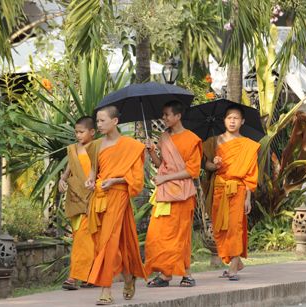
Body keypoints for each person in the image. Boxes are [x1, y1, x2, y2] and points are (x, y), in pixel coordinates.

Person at [84, 106, 147, 305]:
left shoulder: (131, 146)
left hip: (118, 196)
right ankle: (129, 276)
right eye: (97, 121)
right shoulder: (95, 145)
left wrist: (116, 181)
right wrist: (89, 180)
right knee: (122, 241)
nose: (99, 124)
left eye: (102, 121)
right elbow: (94, 170)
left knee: (108, 241)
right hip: (100, 198)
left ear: (115, 122)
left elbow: (137, 179)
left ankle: (106, 289)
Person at [144, 101, 202, 288]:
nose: (164, 118)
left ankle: (187, 274)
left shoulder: (192, 139)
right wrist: (151, 151)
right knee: (158, 235)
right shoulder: (164, 137)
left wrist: (166, 179)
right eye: (164, 114)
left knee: (180, 235)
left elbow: (192, 171)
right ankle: (165, 274)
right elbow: (161, 163)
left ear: (178, 116)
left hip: (182, 194)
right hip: (164, 193)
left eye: (167, 114)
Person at [205, 104, 259, 281]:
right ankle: (235, 261)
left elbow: (250, 174)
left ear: (242, 121)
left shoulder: (248, 145)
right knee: (220, 228)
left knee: (235, 227)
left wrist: (248, 198)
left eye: (236, 118)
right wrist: (215, 164)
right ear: (224, 120)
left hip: (238, 190)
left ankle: (234, 266)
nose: (232, 121)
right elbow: (206, 166)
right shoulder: (214, 141)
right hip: (220, 189)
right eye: (229, 118)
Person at [58, 116, 99, 290]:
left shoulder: (97, 148)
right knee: (80, 238)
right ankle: (90, 276)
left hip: (92, 198)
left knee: (85, 239)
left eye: (81, 132)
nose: (78, 135)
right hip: (75, 198)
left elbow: (99, 169)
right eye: (76, 132)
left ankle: (74, 277)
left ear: (92, 132)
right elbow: (68, 171)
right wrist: (62, 180)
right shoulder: (73, 149)